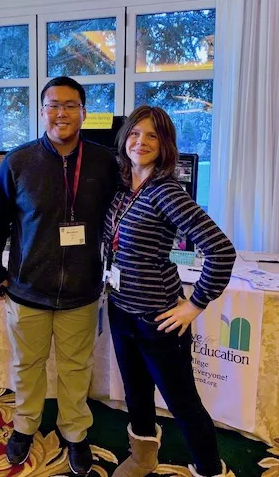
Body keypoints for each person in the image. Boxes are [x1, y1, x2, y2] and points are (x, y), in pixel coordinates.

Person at [0, 76, 118, 475]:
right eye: (53, 105)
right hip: (28, 289)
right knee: (27, 364)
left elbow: (121, 215)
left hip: (82, 289)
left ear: (84, 112)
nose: (61, 113)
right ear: (42, 111)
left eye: (70, 105)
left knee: (77, 367)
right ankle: (25, 426)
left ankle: (75, 433)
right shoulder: (18, 162)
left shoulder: (104, 162)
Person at [103, 106, 236, 477]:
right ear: (124, 137)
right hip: (120, 309)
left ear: (164, 146)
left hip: (158, 319)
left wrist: (194, 305)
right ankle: (144, 455)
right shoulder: (123, 186)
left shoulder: (165, 192)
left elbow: (221, 250)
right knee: (136, 391)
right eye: (134, 133)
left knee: (183, 403)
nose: (140, 142)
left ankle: (210, 469)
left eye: (152, 136)